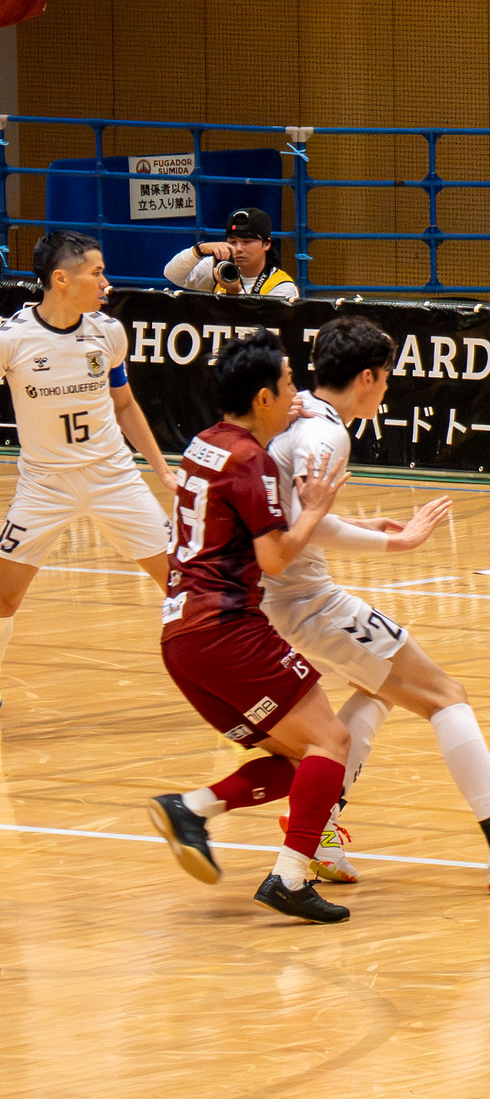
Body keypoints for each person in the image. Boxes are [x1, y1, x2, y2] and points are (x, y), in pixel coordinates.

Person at [261, 315, 490, 894]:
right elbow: (294, 526)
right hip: (304, 598)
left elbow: (293, 514)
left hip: (276, 600)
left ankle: (319, 829)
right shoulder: (326, 433)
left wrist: (356, 523)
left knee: (379, 690)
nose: (388, 389)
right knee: (444, 696)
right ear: (366, 377)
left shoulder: (300, 411)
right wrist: (398, 541)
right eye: (386, 378)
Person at [143, 330, 357, 923]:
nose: (296, 396)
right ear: (263, 396)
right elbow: (276, 557)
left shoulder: (202, 444)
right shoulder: (250, 459)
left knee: (301, 763)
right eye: (289, 385)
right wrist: (315, 507)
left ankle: (191, 808)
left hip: (181, 637)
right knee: (331, 742)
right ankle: (289, 879)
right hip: (224, 630)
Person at [0, 229, 178, 695]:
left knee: (184, 584)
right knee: (3, 598)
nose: (106, 283)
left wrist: (161, 470)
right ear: (61, 278)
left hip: (114, 478)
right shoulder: (12, 340)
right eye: (96, 273)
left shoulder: (107, 332)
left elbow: (124, 405)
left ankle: (229, 681)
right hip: (43, 487)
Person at [163, 207, 300, 301]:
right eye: (232, 242)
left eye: (247, 242)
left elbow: (260, 332)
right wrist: (200, 250)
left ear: (266, 244)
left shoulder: (281, 286)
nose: (238, 248)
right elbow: (172, 274)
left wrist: (236, 292)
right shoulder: (218, 267)